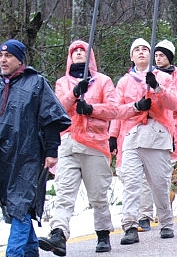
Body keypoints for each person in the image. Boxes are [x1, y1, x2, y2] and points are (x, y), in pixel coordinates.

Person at [39, 41, 118, 256]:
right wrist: (75, 93)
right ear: (69, 57)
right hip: (68, 144)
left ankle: (102, 232)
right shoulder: (62, 83)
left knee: (98, 194)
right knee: (64, 193)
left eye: (83, 50)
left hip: (94, 145)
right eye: (75, 52)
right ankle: (59, 234)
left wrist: (92, 109)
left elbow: (113, 110)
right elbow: (57, 108)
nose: (79, 54)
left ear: (90, 55)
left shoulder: (103, 81)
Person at [1, 39, 71, 257]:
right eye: (1, 56)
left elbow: (51, 119)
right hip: (4, 158)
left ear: (20, 59)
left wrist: (51, 151)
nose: (3, 60)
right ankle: (31, 250)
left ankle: (14, 253)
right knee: (14, 204)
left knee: (21, 204)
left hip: (28, 156)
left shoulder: (36, 83)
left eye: (9, 56)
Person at [109, 38, 177, 245]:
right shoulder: (123, 82)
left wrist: (157, 87)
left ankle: (166, 222)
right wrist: (113, 135)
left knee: (159, 184)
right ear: (131, 56)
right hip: (131, 137)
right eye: (136, 50)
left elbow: (173, 103)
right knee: (131, 183)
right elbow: (116, 111)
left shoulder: (164, 78)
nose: (140, 52)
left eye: (145, 49)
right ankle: (130, 225)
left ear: (151, 55)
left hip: (157, 136)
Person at [136, 39, 177, 231]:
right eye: (156, 55)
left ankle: (162, 209)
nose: (158, 58)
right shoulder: (149, 76)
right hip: (151, 125)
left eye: (162, 55)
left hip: (173, 129)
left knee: (162, 173)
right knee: (147, 174)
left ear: (169, 58)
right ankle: (144, 215)